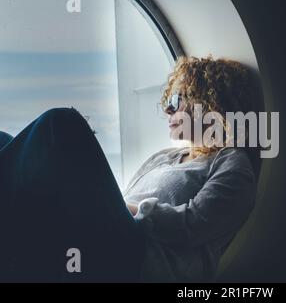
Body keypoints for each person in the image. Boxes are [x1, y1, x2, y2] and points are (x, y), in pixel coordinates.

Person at [0, 56, 259, 282]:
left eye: (177, 99)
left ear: (209, 106)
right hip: (118, 234)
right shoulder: (166, 157)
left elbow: (192, 226)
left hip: (141, 257)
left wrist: (126, 209)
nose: (168, 108)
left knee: (62, 124)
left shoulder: (232, 164)